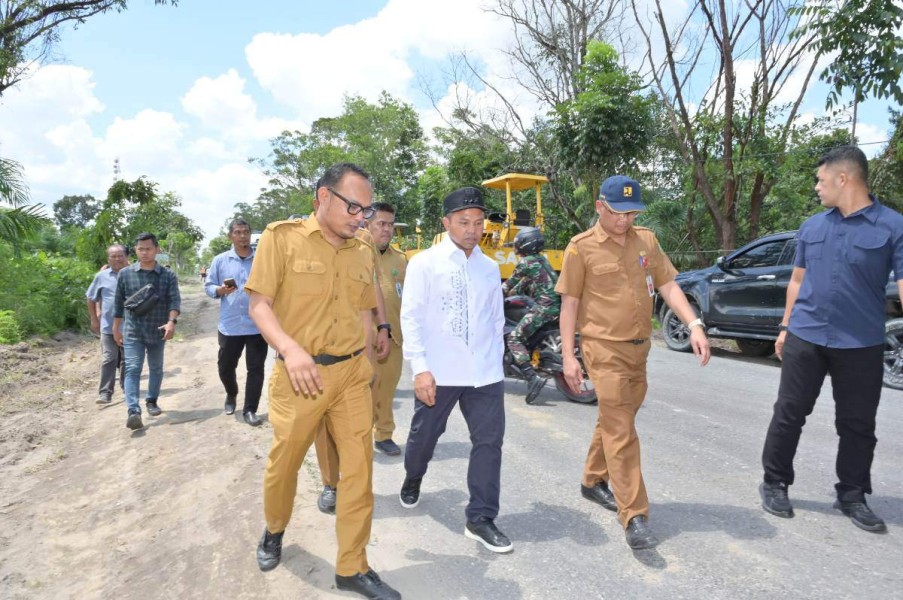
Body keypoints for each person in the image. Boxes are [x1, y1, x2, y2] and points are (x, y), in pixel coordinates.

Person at [245, 162, 401, 600]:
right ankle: (274, 530)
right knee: (285, 464)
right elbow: (259, 305)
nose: (361, 217)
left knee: (358, 470)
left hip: (352, 373)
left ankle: (352, 565)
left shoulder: (363, 251)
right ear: (324, 198)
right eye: (354, 206)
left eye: (366, 210)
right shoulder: (282, 239)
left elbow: (368, 311)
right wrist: (291, 350)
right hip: (301, 375)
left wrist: (371, 358)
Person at [556, 175, 710, 550]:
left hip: (639, 349)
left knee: (616, 417)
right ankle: (635, 515)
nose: (624, 221)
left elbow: (668, 285)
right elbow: (570, 303)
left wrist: (694, 324)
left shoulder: (647, 241)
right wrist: (568, 357)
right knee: (621, 429)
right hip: (602, 349)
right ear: (599, 207)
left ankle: (593, 480)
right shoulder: (581, 248)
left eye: (631, 214)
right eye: (617, 213)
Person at [759, 145, 903, 533]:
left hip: (861, 342)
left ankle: (852, 493)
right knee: (789, 414)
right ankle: (774, 483)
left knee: (858, 424)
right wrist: (786, 327)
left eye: (821, 180)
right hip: (806, 335)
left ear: (844, 178)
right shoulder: (813, 226)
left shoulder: (893, 226)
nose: (817, 187)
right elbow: (797, 280)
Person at [399, 187, 512, 554]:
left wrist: (495, 361)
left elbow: (496, 320)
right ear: (446, 222)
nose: (472, 229)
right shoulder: (424, 263)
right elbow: (411, 318)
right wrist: (420, 369)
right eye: (464, 222)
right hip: (440, 374)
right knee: (423, 439)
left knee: (489, 443)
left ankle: (480, 518)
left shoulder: (489, 267)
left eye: (478, 222)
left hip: (484, 375)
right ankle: (414, 475)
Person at [113, 233, 181, 431]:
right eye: (140, 249)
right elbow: (118, 304)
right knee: (133, 368)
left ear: (157, 249)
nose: (144, 252)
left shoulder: (167, 275)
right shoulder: (125, 274)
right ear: (135, 250)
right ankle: (133, 410)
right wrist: (116, 328)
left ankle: (152, 400)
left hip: (158, 330)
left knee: (156, 368)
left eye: (148, 248)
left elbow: (174, 300)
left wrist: (171, 322)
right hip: (133, 331)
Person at [204, 218, 268, 427]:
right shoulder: (220, 260)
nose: (243, 236)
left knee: (256, 369)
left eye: (246, 232)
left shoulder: (262, 259)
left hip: (257, 325)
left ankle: (250, 409)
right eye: (238, 232)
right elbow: (209, 286)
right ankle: (231, 394)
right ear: (230, 236)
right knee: (225, 367)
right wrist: (219, 290)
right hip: (230, 326)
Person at [501, 227, 560, 404]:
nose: (515, 247)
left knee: (514, 338)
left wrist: (493, 296)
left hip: (544, 308)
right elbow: (521, 284)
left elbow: (508, 285)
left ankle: (531, 377)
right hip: (555, 307)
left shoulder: (526, 262)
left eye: (517, 243)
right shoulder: (541, 260)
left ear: (525, 244)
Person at [86, 244, 129, 404]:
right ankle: (105, 393)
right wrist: (94, 318)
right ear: (108, 259)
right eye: (113, 256)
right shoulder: (101, 276)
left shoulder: (134, 274)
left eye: (120, 255)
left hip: (130, 327)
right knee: (108, 358)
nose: (117, 259)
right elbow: (91, 298)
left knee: (127, 359)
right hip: (108, 327)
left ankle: (127, 389)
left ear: (126, 257)